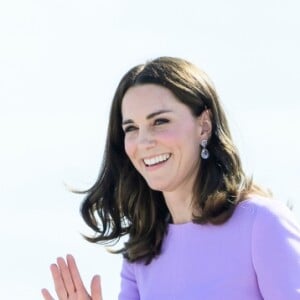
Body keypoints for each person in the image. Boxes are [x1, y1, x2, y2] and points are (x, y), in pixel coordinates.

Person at [41, 57, 300, 300]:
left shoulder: (261, 223)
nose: (144, 141)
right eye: (131, 128)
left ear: (204, 125)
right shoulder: (141, 252)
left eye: (160, 121)